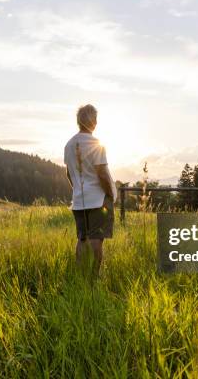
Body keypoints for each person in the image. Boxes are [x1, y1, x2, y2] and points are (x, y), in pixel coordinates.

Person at [64, 104, 117, 277]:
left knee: (82, 238)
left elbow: (69, 173)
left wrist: (78, 190)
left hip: (79, 201)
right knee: (96, 240)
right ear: (93, 121)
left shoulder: (69, 145)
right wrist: (109, 193)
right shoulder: (97, 144)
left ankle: (80, 275)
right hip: (98, 199)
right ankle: (94, 278)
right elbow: (102, 173)